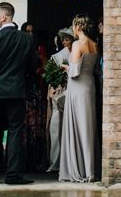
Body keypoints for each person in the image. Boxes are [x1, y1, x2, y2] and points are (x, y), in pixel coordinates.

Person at [0, 2, 35, 186]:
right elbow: (31, 68)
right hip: (17, 91)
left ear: (4, 17)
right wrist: (24, 84)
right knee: (15, 132)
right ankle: (12, 175)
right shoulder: (26, 39)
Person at [59, 14, 99, 183]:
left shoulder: (77, 44)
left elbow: (74, 72)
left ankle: (79, 169)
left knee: (78, 124)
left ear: (79, 26)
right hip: (89, 85)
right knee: (88, 126)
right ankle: (90, 169)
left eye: (74, 26)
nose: (73, 29)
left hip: (77, 87)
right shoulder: (95, 44)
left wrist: (64, 67)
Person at [22, 22, 48, 172]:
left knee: (37, 126)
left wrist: (39, 66)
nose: (29, 34)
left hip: (37, 90)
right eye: (27, 31)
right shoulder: (20, 45)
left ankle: (37, 160)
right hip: (25, 89)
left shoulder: (39, 48)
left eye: (31, 31)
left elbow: (45, 66)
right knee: (25, 127)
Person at [47, 27, 73, 173]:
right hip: (60, 94)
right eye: (63, 38)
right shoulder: (56, 57)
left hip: (73, 92)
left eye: (67, 38)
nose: (64, 41)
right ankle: (55, 161)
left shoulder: (77, 54)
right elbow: (51, 79)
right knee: (56, 128)